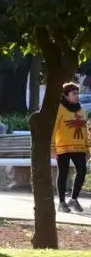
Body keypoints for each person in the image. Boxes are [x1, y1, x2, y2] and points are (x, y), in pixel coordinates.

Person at [55, 83, 88, 213]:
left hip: (79, 147)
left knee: (82, 171)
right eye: (74, 94)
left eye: (77, 93)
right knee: (63, 173)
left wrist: (87, 148)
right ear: (65, 95)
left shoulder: (82, 110)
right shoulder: (59, 108)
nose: (77, 96)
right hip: (62, 147)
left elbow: (85, 130)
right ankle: (62, 202)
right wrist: (52, 147)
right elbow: (54, 128)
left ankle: (73, 199)